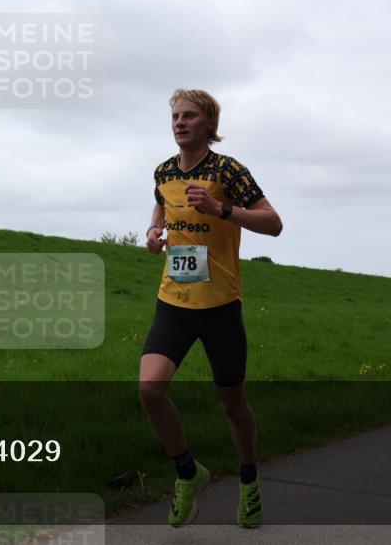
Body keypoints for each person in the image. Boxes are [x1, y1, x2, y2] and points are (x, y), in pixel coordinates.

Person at [140, 89, 283, 530]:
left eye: (189, 116)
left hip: (220, 304)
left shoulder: (228, 169)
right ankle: (188, 473)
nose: (179, 123)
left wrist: (222, 208)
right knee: (150, 389)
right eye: (175, 116)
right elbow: (163, 203)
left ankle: (248, 480)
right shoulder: (163, 170)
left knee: (233, 405)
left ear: (208, 124)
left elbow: (274, 223)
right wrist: (153, 229)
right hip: (174, 301)